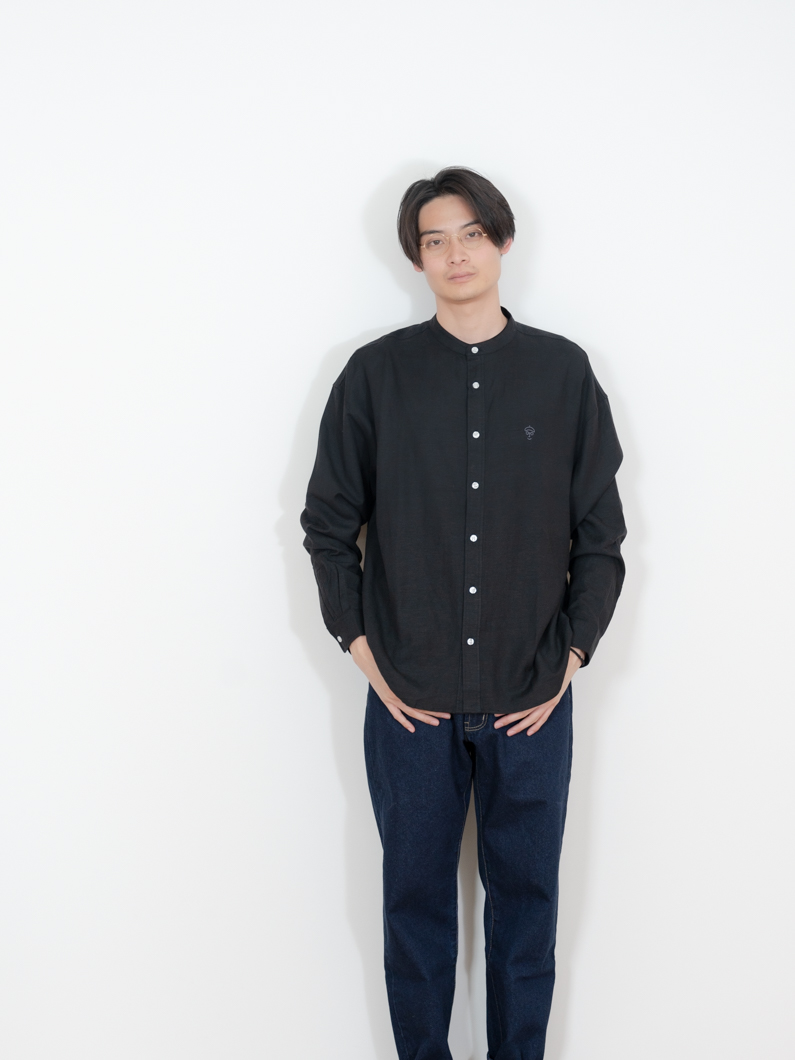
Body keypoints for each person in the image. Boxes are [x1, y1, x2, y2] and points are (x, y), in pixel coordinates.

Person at [300, 167, 626, 1060]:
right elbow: (327, 525)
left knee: (527, 914)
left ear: (502, 242)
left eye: (472, 234)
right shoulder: (374, 376)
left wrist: (572, 657)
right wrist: (361, 649)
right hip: (409, 700)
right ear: (415, 257)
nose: (455, 254)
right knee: (414, 912)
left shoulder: (562, 373)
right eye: (435, 239)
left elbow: (600, 534)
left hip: (531, 699)